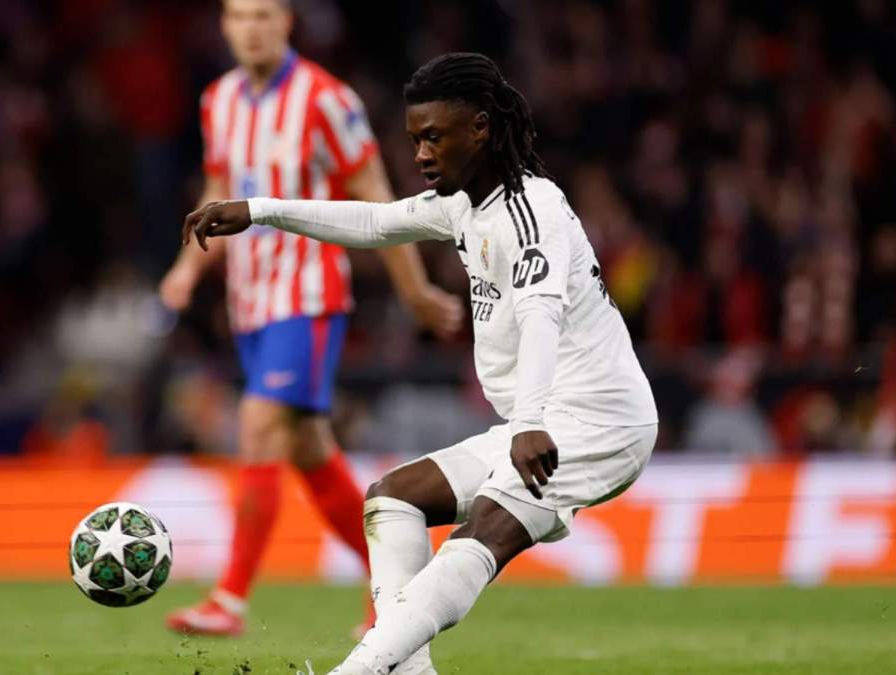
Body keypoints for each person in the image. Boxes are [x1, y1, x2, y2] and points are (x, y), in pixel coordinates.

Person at [182, 52, 659, 675]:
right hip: (545, 416)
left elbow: (542, 312)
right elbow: (377, 222)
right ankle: (410, 671)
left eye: (434, 137)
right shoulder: (465, 205)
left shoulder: (530, 208)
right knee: (391, 499)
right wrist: (260, 210)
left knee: (481, 534)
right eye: (414, 140)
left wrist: (530, 422)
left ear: (481, 127)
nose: (421, 155)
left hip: (598, 420)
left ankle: (356, 670)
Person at [160, 0, 463, 637]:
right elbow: (220, 176)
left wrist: (413, 290)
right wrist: (187, 269)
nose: (253, 27)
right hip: (249, 302)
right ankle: (399, 583)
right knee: (307, 450)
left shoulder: (326, 99)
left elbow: (377, 196)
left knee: (259, 422)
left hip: (309, 293)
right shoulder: (218, 100)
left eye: (265, 15)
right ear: (224, 24)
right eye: (241, 16)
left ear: (287, 22)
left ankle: (230, 600)